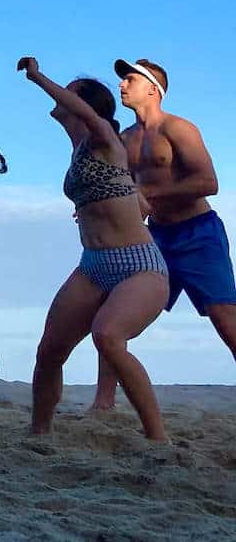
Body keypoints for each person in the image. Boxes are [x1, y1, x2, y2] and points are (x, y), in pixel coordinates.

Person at [18, 57, 169, 441]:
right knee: (50, 350)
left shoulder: (102, 135)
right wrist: (99, 203)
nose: (62, 98)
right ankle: (39, 434)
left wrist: (37, 76)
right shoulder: (81, 150)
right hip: (92, 265)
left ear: (83, 105)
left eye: (70, 93)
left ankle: (158, 439)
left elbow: (86, 113)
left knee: (108, 336)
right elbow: (142, 205)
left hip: (139, 265)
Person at [93, 58, 234, 411]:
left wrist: (148, 197)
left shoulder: (179, 129)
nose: (121, 86)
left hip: (198, 233)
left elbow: (208, 182)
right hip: (153, 236)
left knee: (225, 317)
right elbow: (117, 186)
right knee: (116, 311)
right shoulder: (123, 139)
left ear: (153, 88)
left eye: (129, 80)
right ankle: (104, 402)